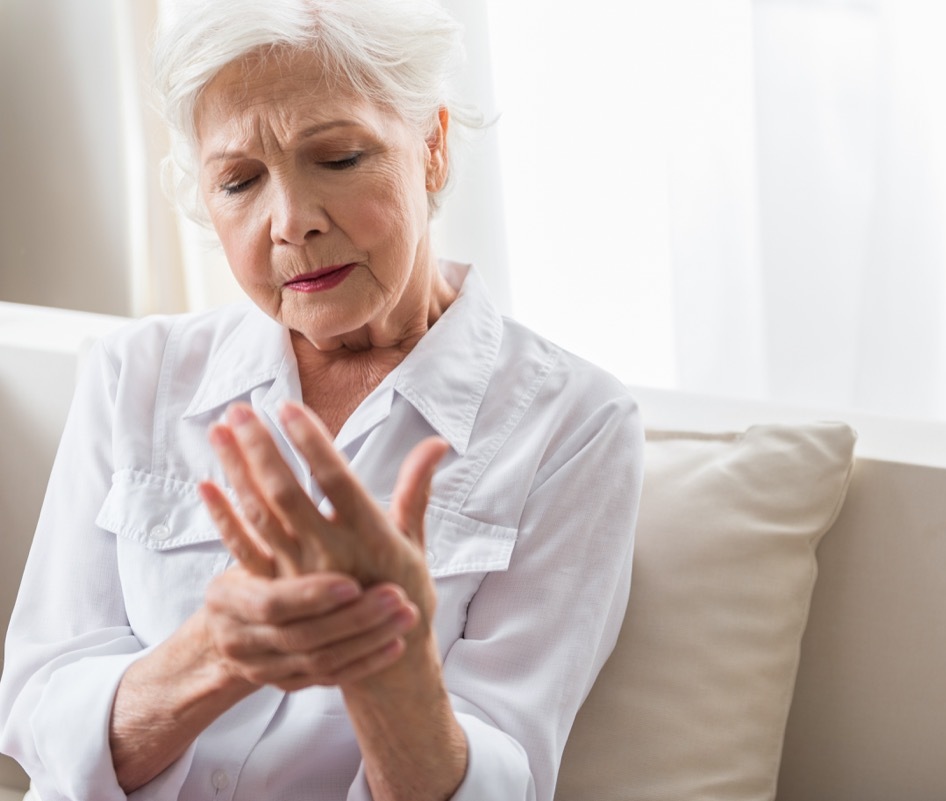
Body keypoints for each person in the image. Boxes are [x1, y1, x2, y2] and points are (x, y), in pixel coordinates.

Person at [0, 1, 643, 799]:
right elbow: (38, 713)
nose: (292, 222)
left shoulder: (573, 423)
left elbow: (504, 775)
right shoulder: (136, 372)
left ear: (433, 147)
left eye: (337, 158)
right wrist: (216, 650)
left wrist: (393, 674)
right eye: (238, 181)